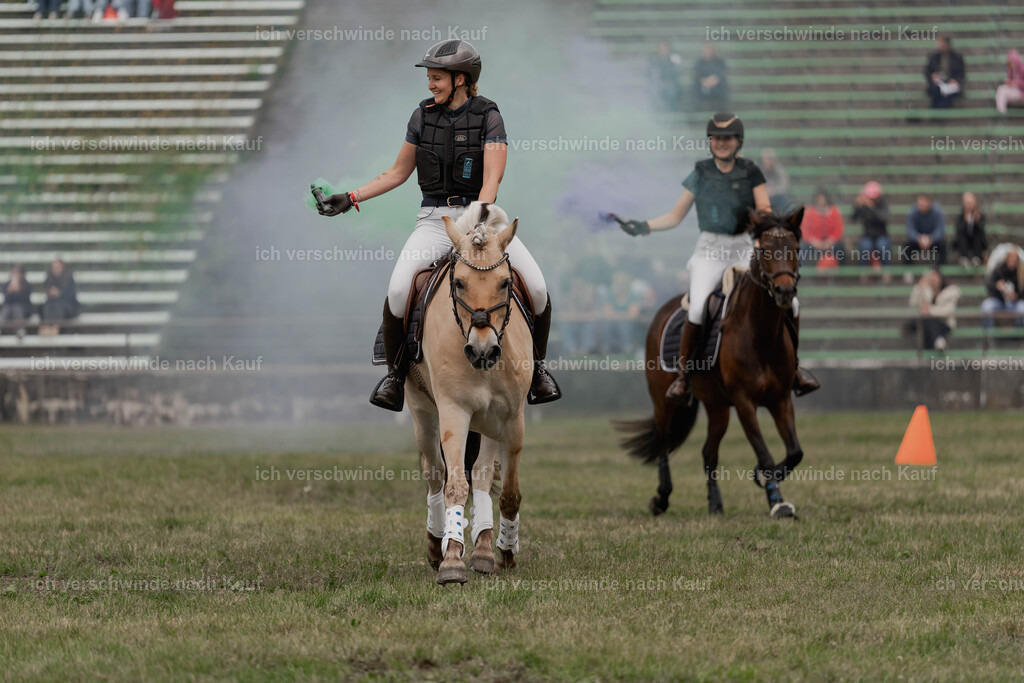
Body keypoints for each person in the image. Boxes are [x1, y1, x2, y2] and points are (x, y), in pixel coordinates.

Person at [315, 40, 560, 411]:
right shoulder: (421, 116)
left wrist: (479, 216)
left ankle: (537, 370)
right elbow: (398, 172)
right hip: (434, 221)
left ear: (460, 78)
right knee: (398, 291)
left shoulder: (489, 116)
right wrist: (351, 198)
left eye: (436, 78)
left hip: (482, 218)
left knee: (538, 289)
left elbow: (492, 178)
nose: (430, 84)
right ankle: (396, 378)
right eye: (429, 78)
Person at [615, 112, 819, 400]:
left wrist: (767, 237)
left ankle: (794, 369)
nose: (722, 143)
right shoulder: (700, 172)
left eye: (728, 138)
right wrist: (644, 226)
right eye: (717, 138)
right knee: (697, 306)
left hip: (744, 248)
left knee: (792, 303)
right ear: (711, 141)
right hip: (710, 250)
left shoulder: (752, 172)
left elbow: (764, 210)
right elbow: (675, 216)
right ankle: (684, 377)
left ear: (738, 141)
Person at [904, 268, 960, 351]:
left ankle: (934, 346)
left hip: (943, 323)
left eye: (935, 278)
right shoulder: (925, 290)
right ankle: (938, 341)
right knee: (927, 322)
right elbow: (913, 303)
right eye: (931, 278)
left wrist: (930, 310)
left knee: (929, 322)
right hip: (926, 322)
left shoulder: (950, 292)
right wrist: (919, 288)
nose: (933, 281)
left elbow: (948, 310)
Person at [800, 188, 844, 269]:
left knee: (840, 249)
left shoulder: (834, 211)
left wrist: (830, 241)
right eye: (819, 199)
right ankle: (804, 272)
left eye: (823, 198)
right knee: (803, 249)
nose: (821, 201)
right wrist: (815, 242)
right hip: (814, 242)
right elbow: (805, 230)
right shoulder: (809, 211)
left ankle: (841, 273)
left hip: (830, 242)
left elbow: (838, 229)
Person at [851, 181, 892, 267]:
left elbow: (883, 219)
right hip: (867, 236)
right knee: (865, 247)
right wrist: (857, 206)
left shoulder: (883, 203)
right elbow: (853, 218)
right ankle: (864, 272)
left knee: (883, 247)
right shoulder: (864, 204)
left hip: (882, 235)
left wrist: (872, 207)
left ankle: (886, 272)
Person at [981, 248, 1024, 329]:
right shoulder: (998, 270)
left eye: (1014, 260)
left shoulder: (1021, 273)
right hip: (999, 301)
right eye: (1010, 258)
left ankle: (1018, 332)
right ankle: (989, 335)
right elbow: (989, 285)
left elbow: (1022, 292)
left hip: (1015, 303)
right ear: (1006, 259)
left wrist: (1016, 296)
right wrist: (997, 286)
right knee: (986, 306)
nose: (1012, 261)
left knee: (1022, 308)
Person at [39, 258, 80, 335]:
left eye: (57, 268)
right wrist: (50, 293)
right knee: (47, 306)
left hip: (68, 308)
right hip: (52, 308)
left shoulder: (69, 279)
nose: (55, 270)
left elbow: (71, 295)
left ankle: (55, 327)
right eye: (54, 268)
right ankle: (47, 326)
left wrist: (59, 294)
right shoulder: (49, 278)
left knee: (58, 306)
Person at [924, 35, 965, 109]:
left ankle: (935, 112)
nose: (940, 47)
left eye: (942, 45)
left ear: (948, 45)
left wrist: (955, 80)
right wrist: (933, 76)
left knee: (950, 93)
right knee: (935, 90)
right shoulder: (934, 57)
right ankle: (937, 112)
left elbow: (961, 74)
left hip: (951, 84)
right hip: (937, 84)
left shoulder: (957, 57)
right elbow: (927, 71)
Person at [904, 194, 947, 265]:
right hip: (917, 241)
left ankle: (940, 272)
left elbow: (940, 230)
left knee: (943, 245)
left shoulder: (938, 211)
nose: (922, 205)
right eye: (920, 202)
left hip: (933, 241)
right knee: (907, 247)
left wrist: (931, 239)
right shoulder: (913, 211)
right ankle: (908, 271)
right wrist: (918, 238)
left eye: (924, 202)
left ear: (930, 203)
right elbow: (910, 230)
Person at [952, 191, 988, 266]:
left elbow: (982, 232)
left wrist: (976, 221)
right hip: (964, 242)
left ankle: (977, 258)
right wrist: (965, 222)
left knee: (977, 234)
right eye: (966, 203)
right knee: (962, 235)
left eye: (970, 203)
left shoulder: (980, 216)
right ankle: (963, 257)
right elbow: (958, 231)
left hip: (976, 242)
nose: (968, 205)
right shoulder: (960, 216)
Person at [692, 43, 728, 113]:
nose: (707, 53)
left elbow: (723, 72)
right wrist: (703, 81)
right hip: (702, 86)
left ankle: (722, 111)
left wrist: (715, 80)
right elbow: (696, 74)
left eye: (709, 51)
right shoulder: (699, 62)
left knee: (723, 86)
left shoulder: (720, 61)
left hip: (717, 86)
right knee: (694, 87)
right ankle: (694, 113)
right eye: (705, 51)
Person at [649, 42, 683, 112]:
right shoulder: (655, 60)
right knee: (653, 92)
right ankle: (655, 114)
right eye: (661, 49)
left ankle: (672, 115)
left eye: (665, 49)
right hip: (659, 86)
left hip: (672, 85)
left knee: (672, 93)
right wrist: (660, 83)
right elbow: (653, 75)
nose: (663, 51)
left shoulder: (675, 59)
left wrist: (668, 83)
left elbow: (677, 73)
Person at [0, 265, 33, 336]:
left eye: (17, 273)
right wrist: (9, 291)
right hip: (9, 310)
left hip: (23, 310)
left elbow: (26, 300)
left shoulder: (27, 285)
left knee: (17, 308)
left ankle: (20, 329)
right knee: (6, 309)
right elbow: (6, 300)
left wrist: (19, 291)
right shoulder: (6, 285)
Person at [760, 149, 792, 214]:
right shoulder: (761, 171)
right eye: (765, 159)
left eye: (768, 159)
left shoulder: (780, 171)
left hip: (777, 197)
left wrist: (774, 190)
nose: (766, 161)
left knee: (783, 198)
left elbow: (784, 186)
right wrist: (765, 191)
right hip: (765, 197)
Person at [996, 49, 1024, 114]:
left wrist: (1017, 83)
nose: (1012, 64)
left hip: (1021, 91)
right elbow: (1011, 80)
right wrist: (1009, 82)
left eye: (1013, 62)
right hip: (1015, 90)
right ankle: (1001, 110)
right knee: (1001, 89)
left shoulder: (1022, 69)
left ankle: (1001, 111)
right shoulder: (1011, 70)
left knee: (1002, 91)